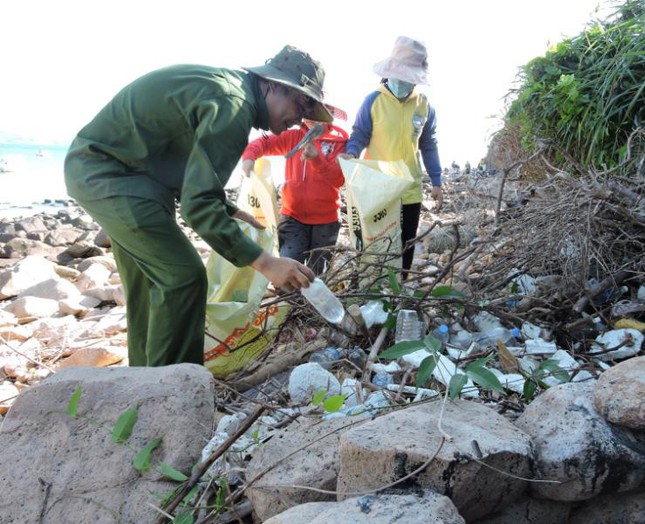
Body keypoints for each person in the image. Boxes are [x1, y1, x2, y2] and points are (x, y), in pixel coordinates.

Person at [64, 45, 333, 367]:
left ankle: (140, 383)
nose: (299, 120)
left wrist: (228, 208)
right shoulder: (234, 106)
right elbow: (197, 205)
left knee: (150, 284)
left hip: (124, 175)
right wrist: (265, 263)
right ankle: (169, 388)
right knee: (184, 277)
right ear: (274, 85)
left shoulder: (228, 92)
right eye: (301, 104)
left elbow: (188, 169)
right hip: (113, 175)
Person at [340, 36, 443, 275]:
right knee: (374, 246)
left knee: (405, 247)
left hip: (409, 190)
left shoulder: (424, 105)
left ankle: (399, 296)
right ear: (391, 72)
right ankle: (371, 291)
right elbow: (359, 134)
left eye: (410, 77)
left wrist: (436, 181)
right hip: (376, 188)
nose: (404, 82)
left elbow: (429, 144)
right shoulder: (373, 101)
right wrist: (351, 153)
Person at [241, 118, 348, 274]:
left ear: (329, 113)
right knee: (289, 267)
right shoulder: (294, 137)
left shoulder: (339, 143)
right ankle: (289, 298)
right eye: (308, 110)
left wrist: (316, 159)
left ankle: (308, 299)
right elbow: (263, 142)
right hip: (292, 217)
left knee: (319, 273)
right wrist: (249, 157)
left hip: (327, 220)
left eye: (318, 111)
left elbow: (338, 180)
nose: (312, 116)